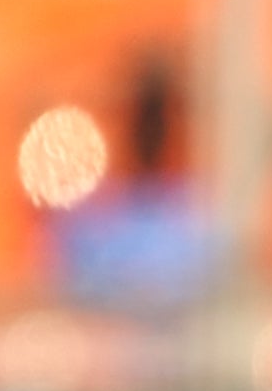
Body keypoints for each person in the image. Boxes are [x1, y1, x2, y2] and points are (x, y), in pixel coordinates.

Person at [52, 53, 221, 313]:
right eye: (144, 119)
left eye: (158, 120)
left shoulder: (205, 223)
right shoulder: (89, 227)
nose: (151, 132)